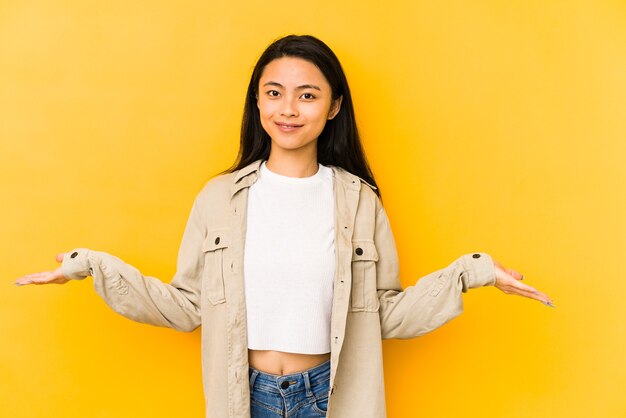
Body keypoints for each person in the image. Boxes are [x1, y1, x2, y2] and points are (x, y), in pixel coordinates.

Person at [15, 34, 554, 418]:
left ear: (334, 106)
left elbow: (383, 314)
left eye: (308, 94)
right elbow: (185, 305)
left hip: (332, 397)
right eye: (274, 92)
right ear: (257, 100)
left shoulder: (359, 202)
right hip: (243, 397)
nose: (289, 108)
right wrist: (93, 267)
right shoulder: (219, 199)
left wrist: (471, 273)